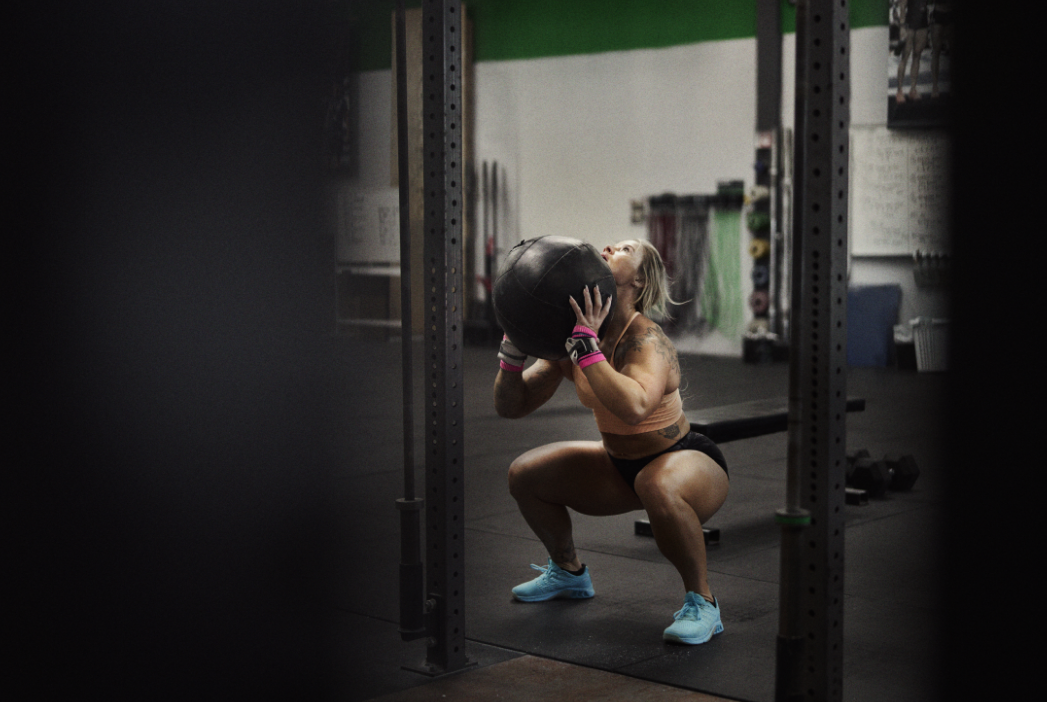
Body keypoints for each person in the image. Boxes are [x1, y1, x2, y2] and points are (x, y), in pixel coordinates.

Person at [493, 239, 730, 645]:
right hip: (620, 467)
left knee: (656, 482)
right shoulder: (575, 339)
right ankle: (568, 573)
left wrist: (586, 351)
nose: (608, 246)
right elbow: (513, 406)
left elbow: (636, 406)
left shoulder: (646, 341)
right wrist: (512, 356)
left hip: (684, 459)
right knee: (525, 475)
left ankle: (703, 604)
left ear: (638, 279)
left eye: (624, 247)